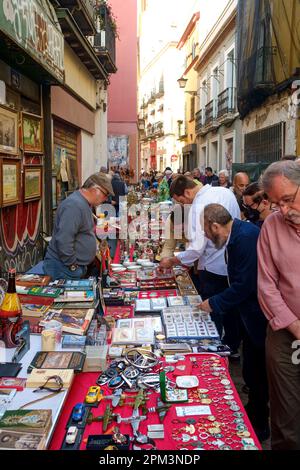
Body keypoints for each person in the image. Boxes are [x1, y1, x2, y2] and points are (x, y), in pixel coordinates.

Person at [200, 204, 269, 440]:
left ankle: (260, 423)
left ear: (216, 225)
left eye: (207, 231)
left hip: (258, 314)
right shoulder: (237, 235)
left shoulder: (245, 238)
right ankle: (253, 412)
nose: (207, 237)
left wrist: (214, 303)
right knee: (251, 369)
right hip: (248, 313)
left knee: (258, 372)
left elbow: (244, 285)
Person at [159, 176, 241, 352]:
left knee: (214, 312)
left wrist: (172, 261)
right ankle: (232, 346)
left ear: (187, 192)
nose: (184, 205)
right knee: (231, 307)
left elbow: (196, 249)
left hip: (212, 267)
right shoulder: (224, 192)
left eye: (182, 200)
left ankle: (215, 349)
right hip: (231, 262)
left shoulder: (198, 206)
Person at [257, 160, 300, 450]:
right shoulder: (271, 226)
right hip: (286, 332)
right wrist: (295, 327)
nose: (283, 211)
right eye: (276, 204)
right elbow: (267, 285)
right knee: (286, 414)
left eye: (287, 200)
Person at [44, 173, 114, 281]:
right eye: (105, 195)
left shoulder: (83, 203)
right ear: (96, 190)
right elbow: (64, 240)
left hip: (70, 268)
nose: (105, 199)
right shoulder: (74, 205)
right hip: (64, 269)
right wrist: (72, 265)